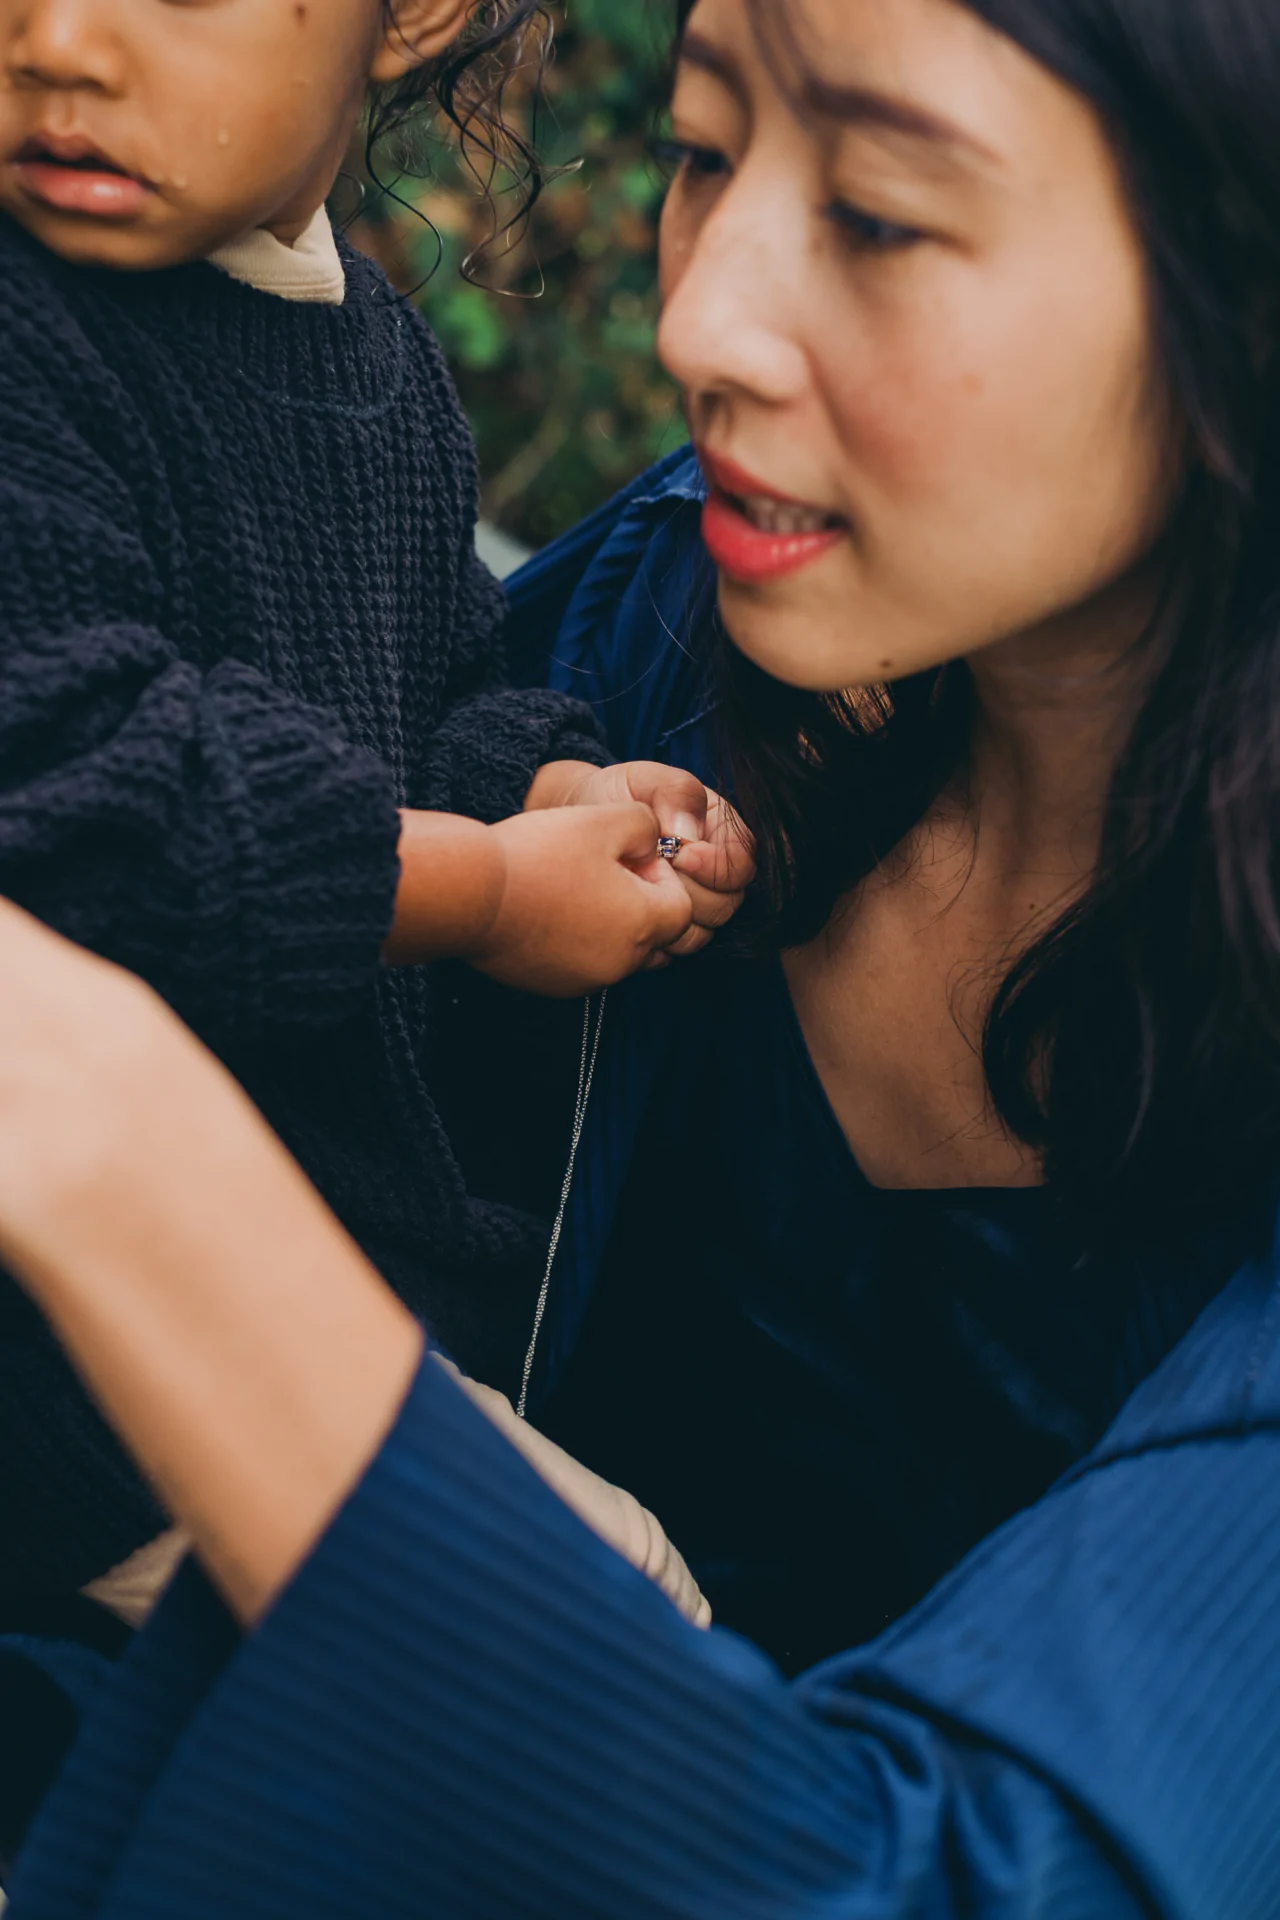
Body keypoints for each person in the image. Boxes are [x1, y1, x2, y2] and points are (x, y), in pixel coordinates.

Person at [5, 0, 1280, 1911]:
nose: (696, 325)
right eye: (702, 148)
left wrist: (102, 1128)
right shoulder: (684, 610)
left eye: (876, 212)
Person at [0, 0, 751, 1639]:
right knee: (634, 1637)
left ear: (411, 18)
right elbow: (81, 830)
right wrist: (479, 891)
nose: (54, 38)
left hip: (306, 1288)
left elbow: (426, 697)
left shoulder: (375, 361)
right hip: (82, 1373)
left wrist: (548, 793)